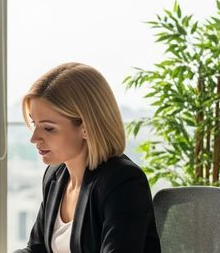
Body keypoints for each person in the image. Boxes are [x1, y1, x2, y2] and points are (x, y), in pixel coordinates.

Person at [15, 62, 161, 253]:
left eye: (49, 128)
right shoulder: (55, 176)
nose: (34, 138)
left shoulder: (124, 182)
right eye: (34, 124)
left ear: (85, 127)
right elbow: (37, 249)